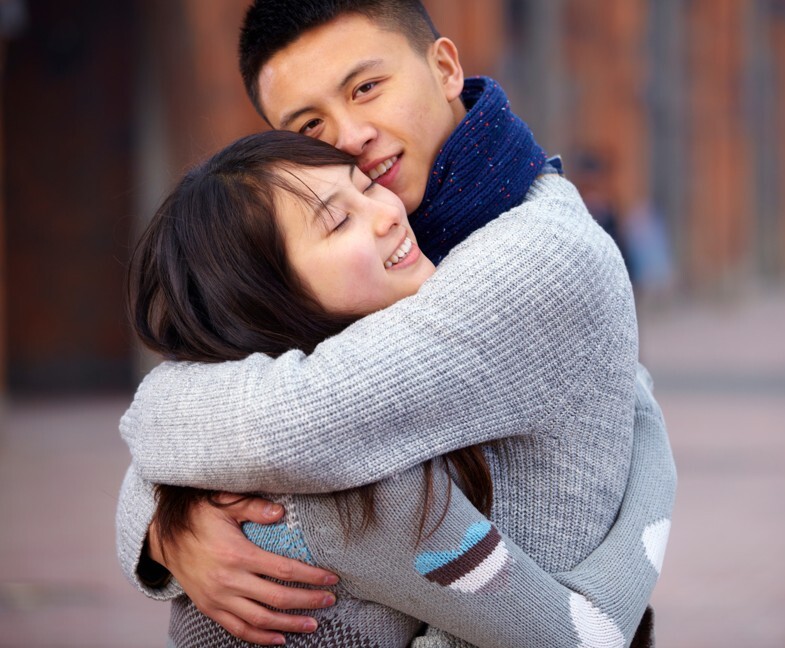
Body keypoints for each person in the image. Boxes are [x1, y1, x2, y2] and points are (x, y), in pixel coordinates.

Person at [116, 0, 675, 645]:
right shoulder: (377, 263)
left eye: (366, 88)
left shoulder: (536, 257)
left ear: (443, 69)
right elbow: (260, 394)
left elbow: (288, 425)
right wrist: (165, 527)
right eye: (310, 125)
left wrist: (153, 422)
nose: (351, 136)